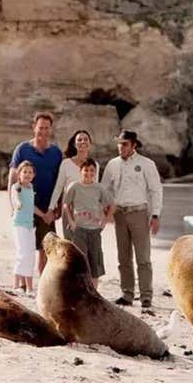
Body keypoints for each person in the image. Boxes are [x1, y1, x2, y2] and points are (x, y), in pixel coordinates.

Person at [100, 130, 163, 308]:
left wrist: (156, 214)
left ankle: (146, 296)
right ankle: (127, 294)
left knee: (143, 257)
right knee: (123, 257)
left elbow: (155, 190)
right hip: (119, 214)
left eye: (125, 144)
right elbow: (105, 189)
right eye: (119, 143)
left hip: (139, 213)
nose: (121, 147)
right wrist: (107, 210)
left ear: (134, 145)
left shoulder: (146, 164)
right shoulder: (112, 164)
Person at [8, 112, 63, 275]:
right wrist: (12, 205)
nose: (43, 131)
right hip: (24, 206)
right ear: (34, 128)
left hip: (47, 208)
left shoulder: (56, 153)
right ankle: (23, 281)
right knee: (25, 247)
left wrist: (58, 206)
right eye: (40, 128)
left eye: (47, 128)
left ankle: (42, 282)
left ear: (50, 130)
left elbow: (59, 182)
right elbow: (12, 179)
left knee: (46, 248)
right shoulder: (22, 149)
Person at [63, 158, 115, 290]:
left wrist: (104, 222)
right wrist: (71, 221)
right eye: (86, 170)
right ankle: (81, 290)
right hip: (79, 229)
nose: (89, 173)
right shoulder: (74, 186)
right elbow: (66, 204)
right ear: (81, 171)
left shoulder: (99, 188)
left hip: (95, 230)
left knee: (95, 260)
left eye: (92, 170)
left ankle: (94, 291)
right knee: (80, 261)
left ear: (95, 172)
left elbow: (112, 205)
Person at [49, 130, 99, 239]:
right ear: (74, 144)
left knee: (87, 246)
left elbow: (96, 190)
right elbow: (59, 188)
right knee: (71, 246)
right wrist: (51, 207)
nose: (82, 142)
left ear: (90, 143)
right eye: (79, 140)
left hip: (89, 210)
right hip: (69, 210)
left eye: (85, 139)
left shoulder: (95, 165)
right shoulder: (66, 163)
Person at [10, 161, 36, 296]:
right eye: (24, 172)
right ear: (19, 174)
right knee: (22, 254)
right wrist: (18, 204)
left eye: (30, 172)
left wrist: (43, 214)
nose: (27, 174)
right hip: (19, 224)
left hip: (30, 225)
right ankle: (16, 285)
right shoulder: (16, 187)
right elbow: (15, 200)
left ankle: (30, 288)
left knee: (31, 255)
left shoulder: (31, 187)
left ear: (33, 175)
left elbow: (32, 206)